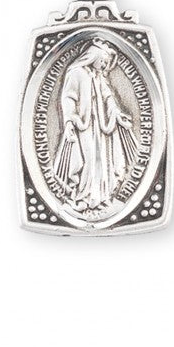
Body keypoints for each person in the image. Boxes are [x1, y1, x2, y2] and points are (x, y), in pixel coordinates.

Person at [53, 38, 139, 215]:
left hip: (101, 127)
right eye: (103, 61)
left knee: (102, 161)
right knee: (88, 159)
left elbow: (108, 97)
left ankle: (101, 198)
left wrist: (117, 113)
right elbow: (68, 98)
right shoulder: (76, 73)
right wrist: (69, 121)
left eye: (106, 62)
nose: (105, 65)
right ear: (93, 56)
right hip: (84, 126)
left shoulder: (99, 76)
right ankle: (83, 198)